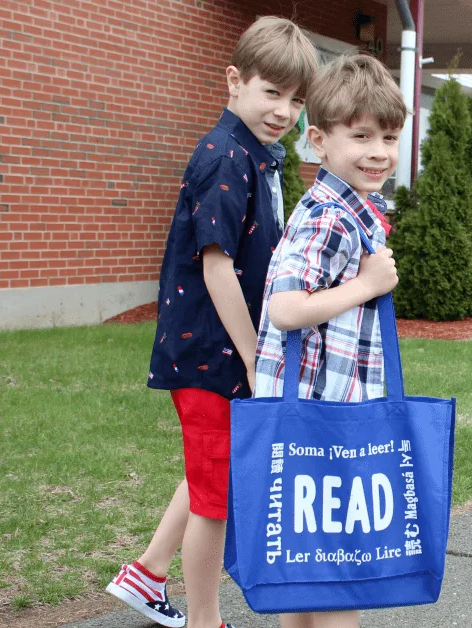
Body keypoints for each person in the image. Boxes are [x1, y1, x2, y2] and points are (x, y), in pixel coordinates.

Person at [106, 16, 317, 628]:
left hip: (218, 352)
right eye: (272, 93)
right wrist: (254, 357)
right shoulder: (226, 156)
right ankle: (205, 621)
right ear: (235, 80)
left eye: (296, 100)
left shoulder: (256, 154)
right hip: (213, 354)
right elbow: (218, 269)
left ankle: (146, 574)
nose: (284, 111)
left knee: (210, 472)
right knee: (215, 501)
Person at [252, 53, 408, 628]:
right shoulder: (329, 218)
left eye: (388, 136)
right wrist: (367, 284)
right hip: (322, 417)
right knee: (344, 569)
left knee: (311, 564)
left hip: (322, 411)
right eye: (360, 135)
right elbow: (286, 308)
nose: (378, 151)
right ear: (317, 140)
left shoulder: (353, 207)